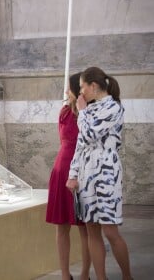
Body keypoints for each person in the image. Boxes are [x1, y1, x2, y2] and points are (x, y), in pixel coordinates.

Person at [66, 67, 133, 280]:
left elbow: (89, 134)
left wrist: (83, 112)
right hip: (86, 174)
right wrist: (73, 173)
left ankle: (127, 277)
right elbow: (80, 144)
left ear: (93, 86)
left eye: (82, 87)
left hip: (106, 172)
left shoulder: (113, 108)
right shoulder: (90, 108)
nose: (81, 92)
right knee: (92, 228)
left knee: (110, 230)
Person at [46, 72, 91, 280]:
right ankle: (70, 275)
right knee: (76, 228)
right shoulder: (66, 112)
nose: (66, 92)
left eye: (69, 89)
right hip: (65, 168)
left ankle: (80, 274)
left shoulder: (83, 113)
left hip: (77, 170)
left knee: (83, 229)